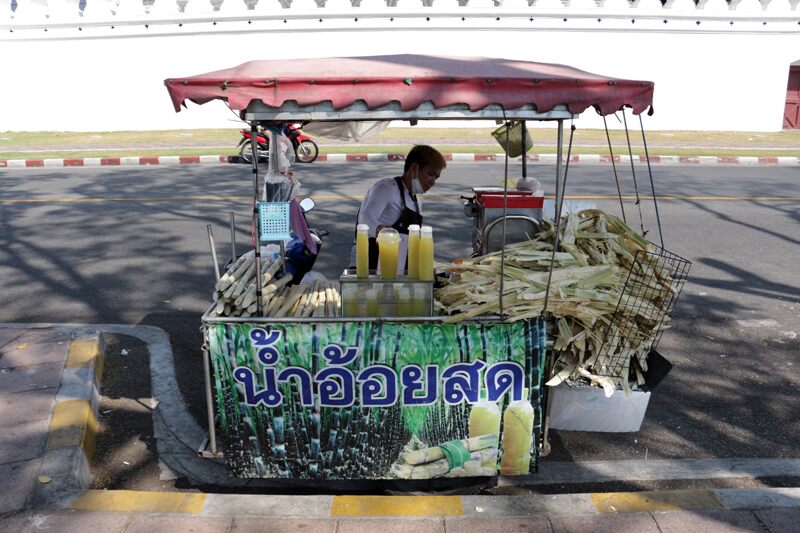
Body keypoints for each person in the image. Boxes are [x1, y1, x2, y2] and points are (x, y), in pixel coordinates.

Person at [350, 145, 446, 274]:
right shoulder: (386, 188)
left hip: (396, 268)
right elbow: (365, 220)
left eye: (436, 177)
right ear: (414, 168)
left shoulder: (417, 200)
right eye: (430, 174)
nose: (433, 181)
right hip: (369, 266)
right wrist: (381, 231)